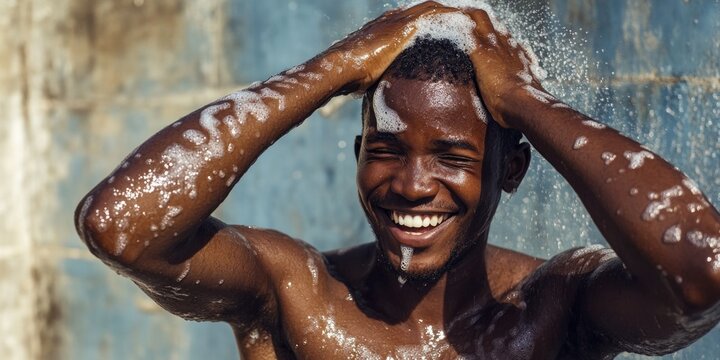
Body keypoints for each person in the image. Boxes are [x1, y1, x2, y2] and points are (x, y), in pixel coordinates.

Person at [74, 2, 720, 358]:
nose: (412, 185)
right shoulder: (297, 294)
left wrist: (523, 101)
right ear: (357, 154)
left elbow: (701, 273)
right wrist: (333, 68)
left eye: (453, 157)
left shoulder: (555, 308)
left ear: (512, 168)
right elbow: (121, 228)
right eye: (385, 150)